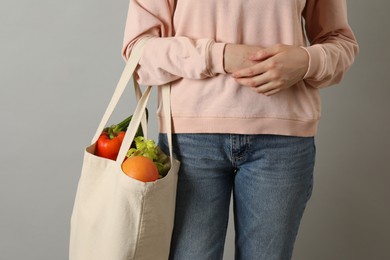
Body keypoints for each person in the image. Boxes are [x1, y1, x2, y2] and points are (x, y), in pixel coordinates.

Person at [122, 0, 358, 259]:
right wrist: (218, 56)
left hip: (283, 142)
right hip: (189, 142)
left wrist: (306, 61)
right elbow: (138, 51)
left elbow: (341, 42)